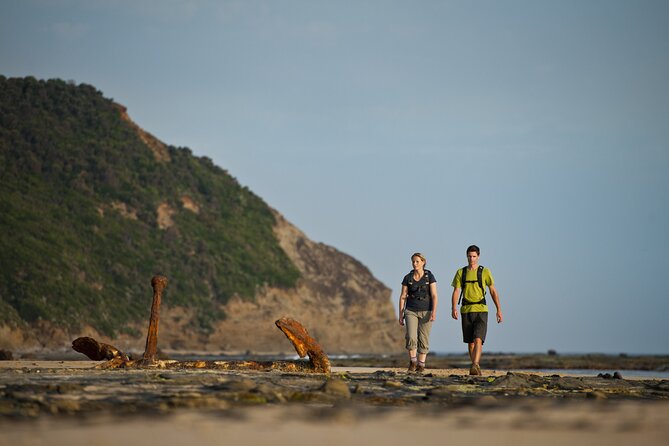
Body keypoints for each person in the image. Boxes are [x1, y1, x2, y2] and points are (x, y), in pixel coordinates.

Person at [450, 245, 503, 376]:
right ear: (466, 256)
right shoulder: (460, 272)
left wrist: (499, 309)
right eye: (469, 256)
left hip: (481, 309)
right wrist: (453, 308)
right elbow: (456, 291)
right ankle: (475, 366)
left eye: (474, 256)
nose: (471, 259)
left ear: (478, 257)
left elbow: (493, 290)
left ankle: (475, 365)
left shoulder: (485, 271)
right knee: (470, 342)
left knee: (478, 339)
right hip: (466, 310)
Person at [398, 252, 438, 373]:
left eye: (417, 261)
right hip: (411, 310)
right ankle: (413, 361)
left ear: (423, 262)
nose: (415, 264)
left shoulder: (429, 276)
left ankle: (421, 365)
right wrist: (401, 314)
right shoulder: (407, 277)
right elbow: (403, 296)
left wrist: (434, 312)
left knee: (423, 338)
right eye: (413, 261)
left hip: (427, 310)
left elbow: (435, 295)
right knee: (411, 336)